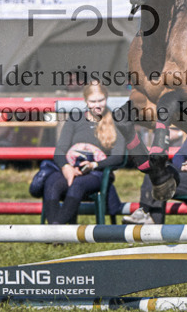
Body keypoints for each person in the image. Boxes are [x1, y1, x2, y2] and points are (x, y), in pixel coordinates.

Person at [39, 81, 125, 224]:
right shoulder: (75, 119)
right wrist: (67, 168)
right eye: (93, 101)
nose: (97, 105)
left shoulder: (116, 121)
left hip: (97, 172)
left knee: (77, 184)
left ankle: (54, 230)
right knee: (52, 183)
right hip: (72, 167)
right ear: (86, 101)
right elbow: (60, 150)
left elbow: (118, 157)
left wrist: (93, 165)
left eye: (101, 100)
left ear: (106, 98)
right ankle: (56, 235)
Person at [123, 127, 187, 224]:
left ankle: (149, 219)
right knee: (156, 172)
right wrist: (182, 166)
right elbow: (179, 156)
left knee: (160, 179)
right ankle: (147, 217)